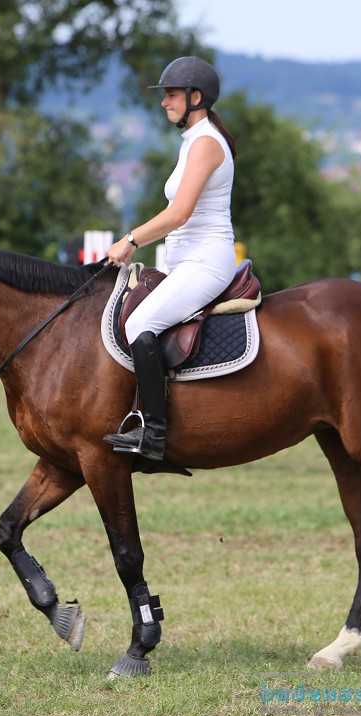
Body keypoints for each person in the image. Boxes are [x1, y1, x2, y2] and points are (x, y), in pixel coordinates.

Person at [102, 56, 238, 461]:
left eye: (172, 95)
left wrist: (130, 240)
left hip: (206, 263)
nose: (164, 102)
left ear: (196, 97)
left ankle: (155, 434)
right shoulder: (194, 140)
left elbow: (179, 214)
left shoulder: (207, 143)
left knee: (142, 322)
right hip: (184, 261)